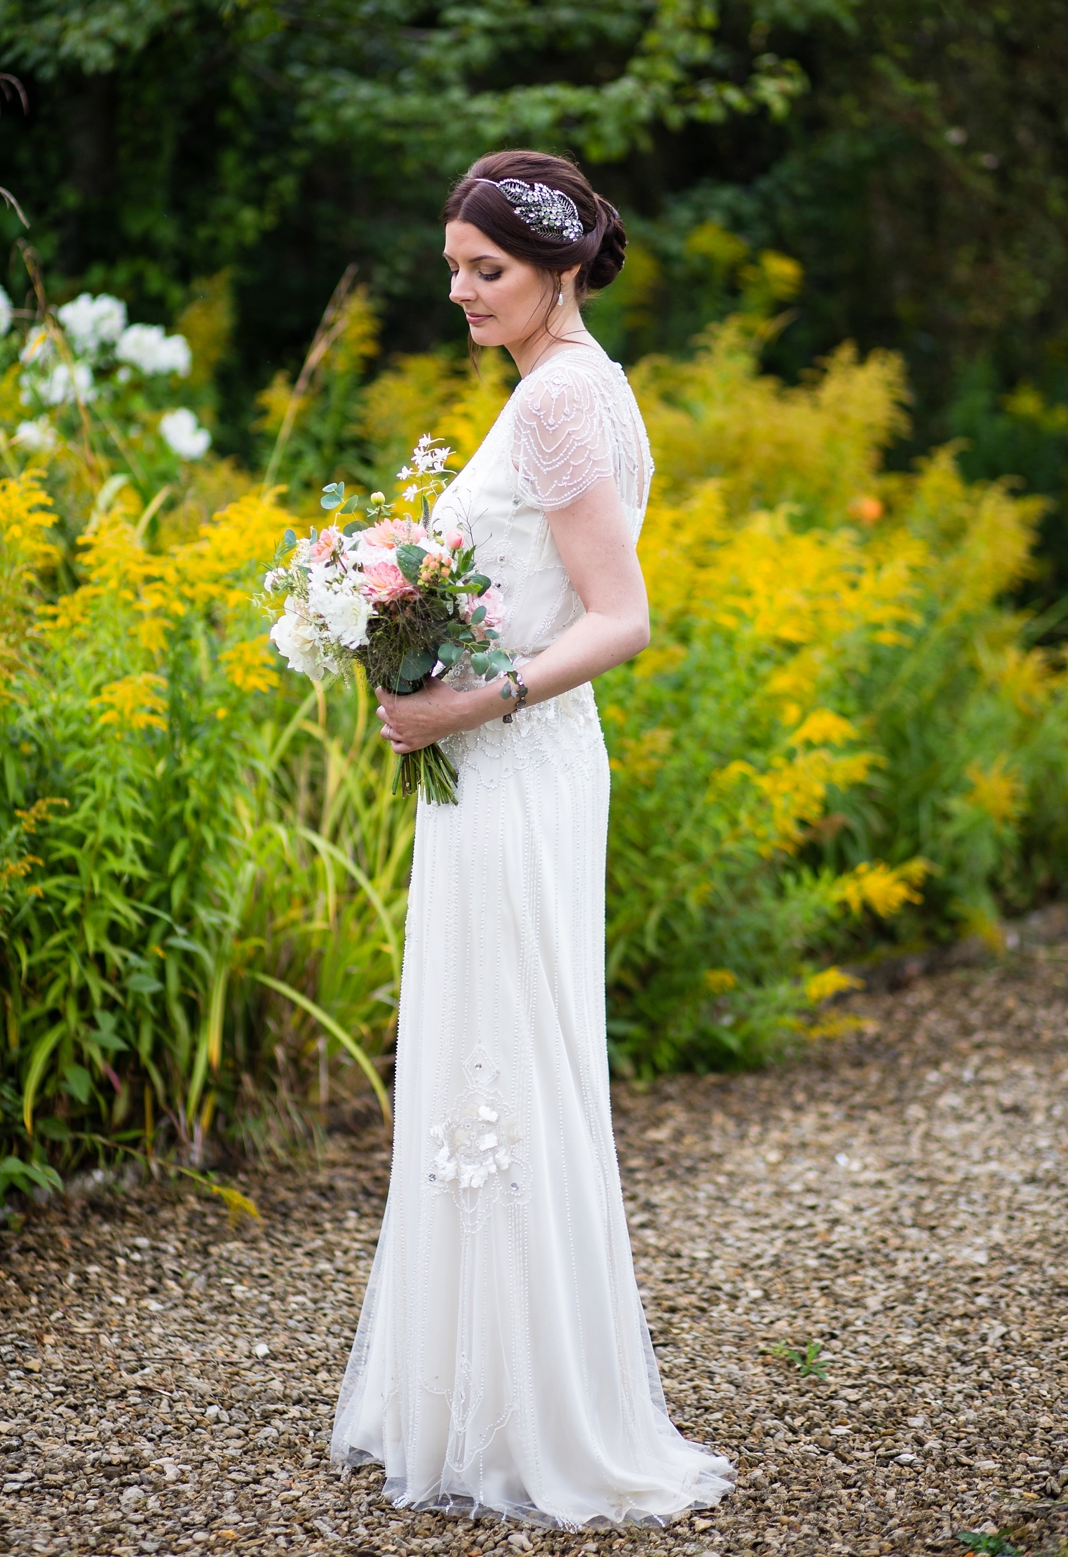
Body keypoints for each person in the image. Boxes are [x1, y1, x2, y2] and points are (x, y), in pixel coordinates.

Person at [330, 151, 734, 1527]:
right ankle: (484, 1396)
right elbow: (524, 578)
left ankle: (532, 1414)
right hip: (505, 763)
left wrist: (463, 700)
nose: (458, 290)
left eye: (484, 270)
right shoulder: (569, 384)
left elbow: (620, 618)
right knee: (486, 1060)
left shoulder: (564, 399)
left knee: (506, 1062)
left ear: (556, 272)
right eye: (452, 266)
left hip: (513, 759)